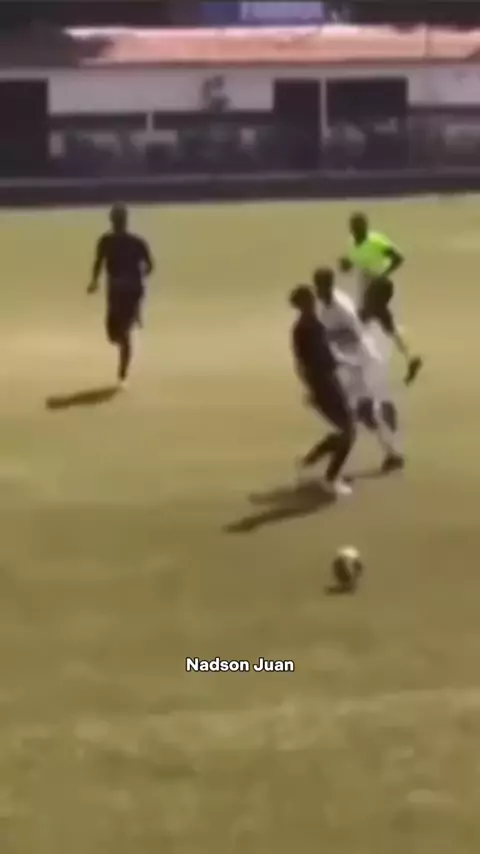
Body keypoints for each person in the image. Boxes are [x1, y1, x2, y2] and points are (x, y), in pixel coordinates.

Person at [313, 266, 405, 473]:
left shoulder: (341, 306)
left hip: (361, 361)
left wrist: (330, 340)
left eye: (321, 285)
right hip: (349, 362)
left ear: (329, 284)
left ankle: (391, 453)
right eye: (317, 285)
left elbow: (357, 334)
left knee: (360, 410)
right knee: (358, 411)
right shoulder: (324, 305)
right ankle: (391, 453)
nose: (318, 290)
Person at [338, 211, 423, 386]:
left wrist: (382, 275)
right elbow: (355, 264)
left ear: (366, 227)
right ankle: (411, 357)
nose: (357, 231)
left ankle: (350, 365)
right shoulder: (351, 244)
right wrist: (346, 265)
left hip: (381, 286)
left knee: (360, 321)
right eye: (355, 228)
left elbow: (398, 258)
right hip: (367, 288)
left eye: (360, 227)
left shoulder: (376, 240)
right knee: (385, 322)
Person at [290, 284, 356, 497]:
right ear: (304, 303)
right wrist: (313, 388)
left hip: (325, 383)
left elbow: (311, 360)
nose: (314, 301)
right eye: (310, 299)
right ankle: (330, 479)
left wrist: (342, 362)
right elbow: (312, 362)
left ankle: (310, 460)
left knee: (345, 429)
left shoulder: (307, 326)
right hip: (324, 385)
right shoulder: (308, 328)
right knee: (348, 431)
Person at [87, 203, 154, 387]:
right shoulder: (120, 241)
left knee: (120, 332)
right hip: (123, 289)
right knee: (115, 333)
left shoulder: (117, 241)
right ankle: (129, 329)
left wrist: (94, 282)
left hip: (125, 290)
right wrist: (94, 281)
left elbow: (98, 264)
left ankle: (122, 370)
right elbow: (149, 266)